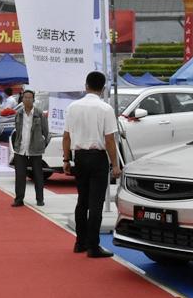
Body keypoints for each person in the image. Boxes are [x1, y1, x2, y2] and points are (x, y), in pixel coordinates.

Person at [63, 71, 120, 258]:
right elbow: (109, 140)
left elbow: (66, 136)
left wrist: (66, 159)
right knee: (96, 203)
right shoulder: (105, 109)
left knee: (82, 201)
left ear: (86, 85)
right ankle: (93, 246)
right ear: (103, 89)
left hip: (79, 156)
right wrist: (115, 164)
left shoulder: (73, 107)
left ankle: (80, 242)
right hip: (98, 158)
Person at [11, 90, 49, 207]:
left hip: (35, 149)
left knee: (38, 175)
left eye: (29, 98)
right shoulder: (19, 113)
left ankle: (40, 199)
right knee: (20, 175)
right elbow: (17, 130)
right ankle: (19, 199)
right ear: (22, 99)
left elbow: (45, 131)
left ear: (33, 99)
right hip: (21, 148)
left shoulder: (39, 113)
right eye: (25, 97)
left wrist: (41, 143)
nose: (27, 99)